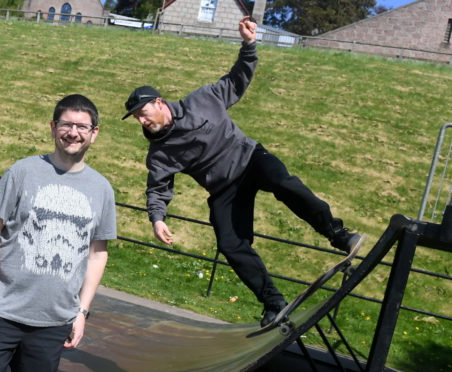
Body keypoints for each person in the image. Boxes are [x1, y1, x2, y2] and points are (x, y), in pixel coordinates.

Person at [121, 17, 362, 327]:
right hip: (224, 187)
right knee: (230, 243)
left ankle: (339, 235)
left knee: (283, 182)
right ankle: (274, 303)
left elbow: (238, 79)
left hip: (249, 158)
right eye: (137, 119)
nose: (142, 121)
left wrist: (249, 44)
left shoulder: (202, 100)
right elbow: (157, 188)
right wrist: (157, 218)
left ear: (158, 103)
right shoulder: (159, 154)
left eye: (143, 113)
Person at [0, 94, 117, 371]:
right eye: (66, 125)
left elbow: (98, 254)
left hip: (54, 322)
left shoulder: (102, 189)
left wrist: (81, 311)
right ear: (52, 127)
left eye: (82, 127)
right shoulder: (22, 172)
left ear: (94, 133)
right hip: (1, 314)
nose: (73, 133)